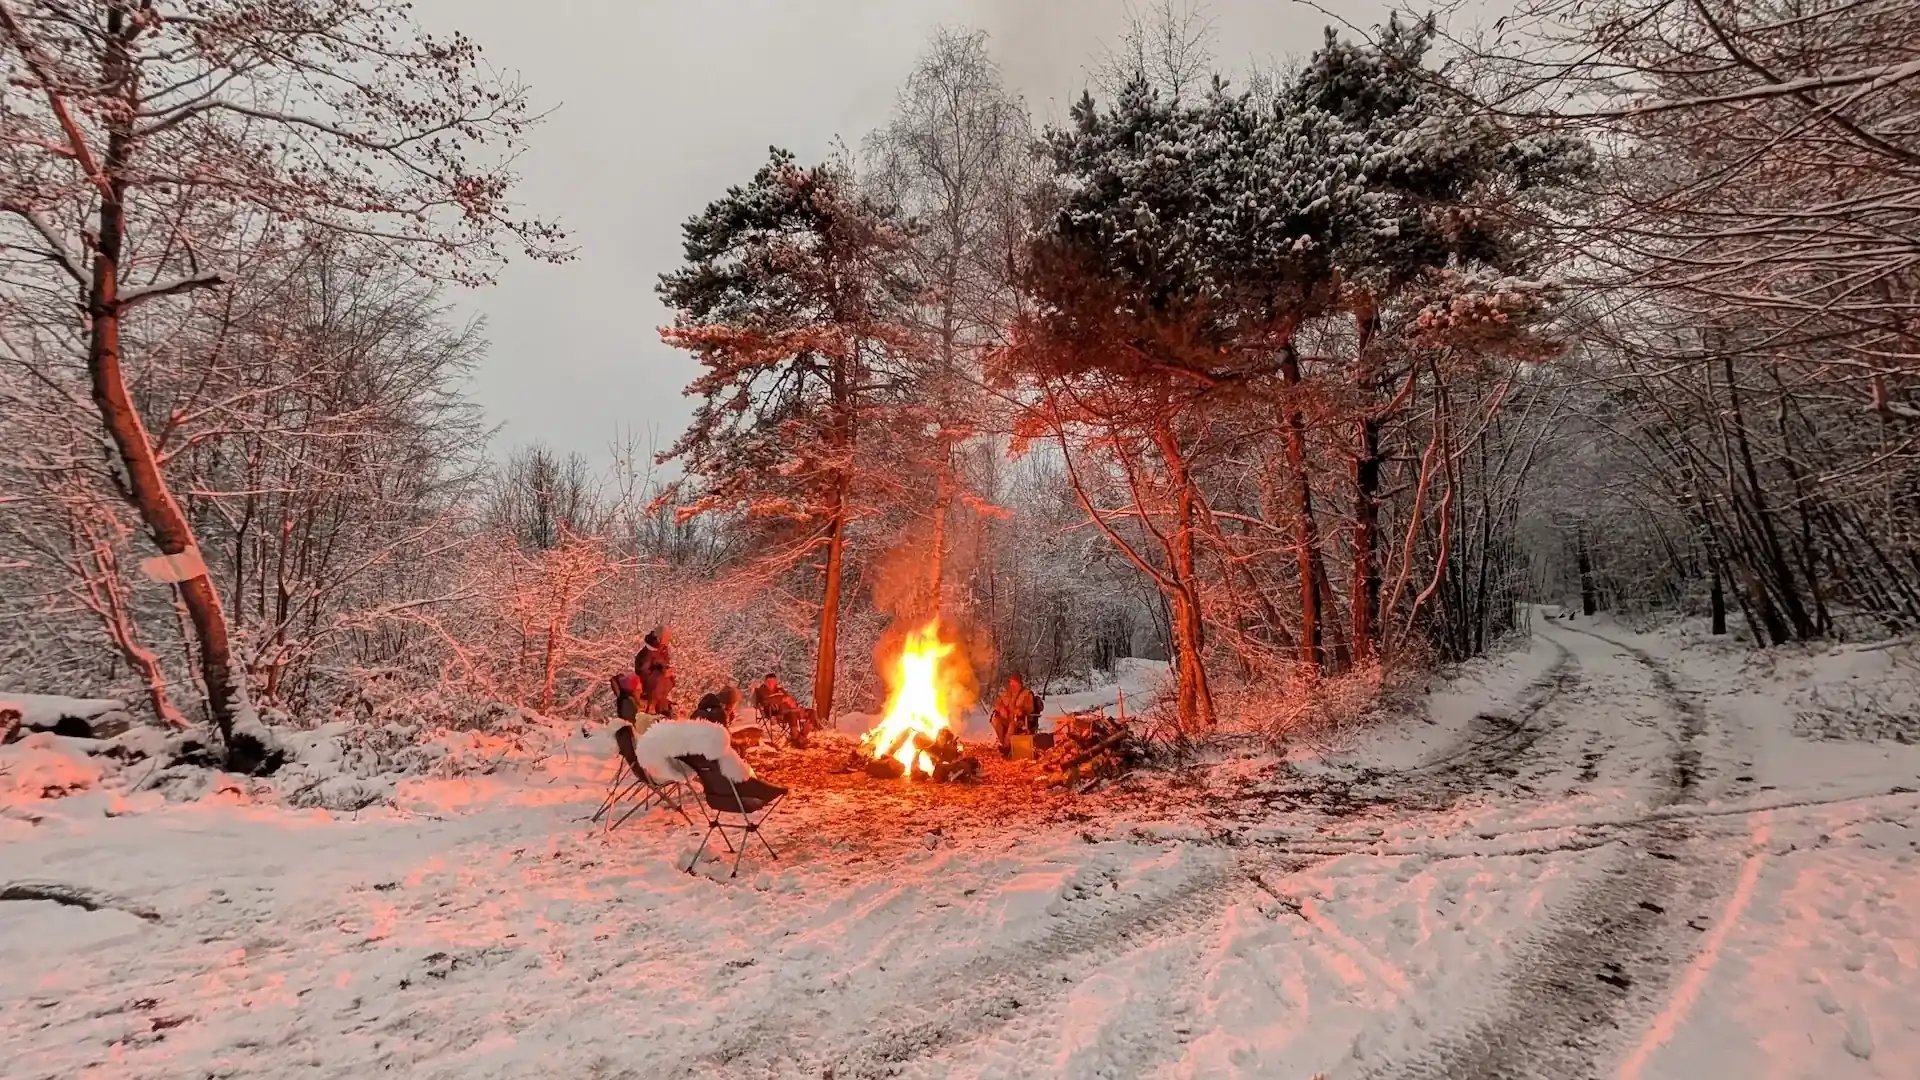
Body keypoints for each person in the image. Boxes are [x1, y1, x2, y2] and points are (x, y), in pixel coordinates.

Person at [990, 674, 1040, 756]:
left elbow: (1030, 708)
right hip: (1008, 719)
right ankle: (1005, 744)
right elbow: (997, 704)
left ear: (1018, 682)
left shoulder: (1027, 694)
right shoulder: (1006, 693)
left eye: (1013, 682)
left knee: (1012, 724)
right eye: (1010, 682)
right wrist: (1001, 709)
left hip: (1021, 721)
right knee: (995, 720)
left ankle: (1006, 747)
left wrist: (1022, 710)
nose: (1011, 684)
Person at [633, 628, 675, 715]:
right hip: (651, 692)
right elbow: (643, 672)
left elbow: (664, 664)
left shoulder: (663, 650)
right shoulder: (647, 653)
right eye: (666, 638)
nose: (668, 640)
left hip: (661, 691)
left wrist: (667, 671)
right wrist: (662, 673)